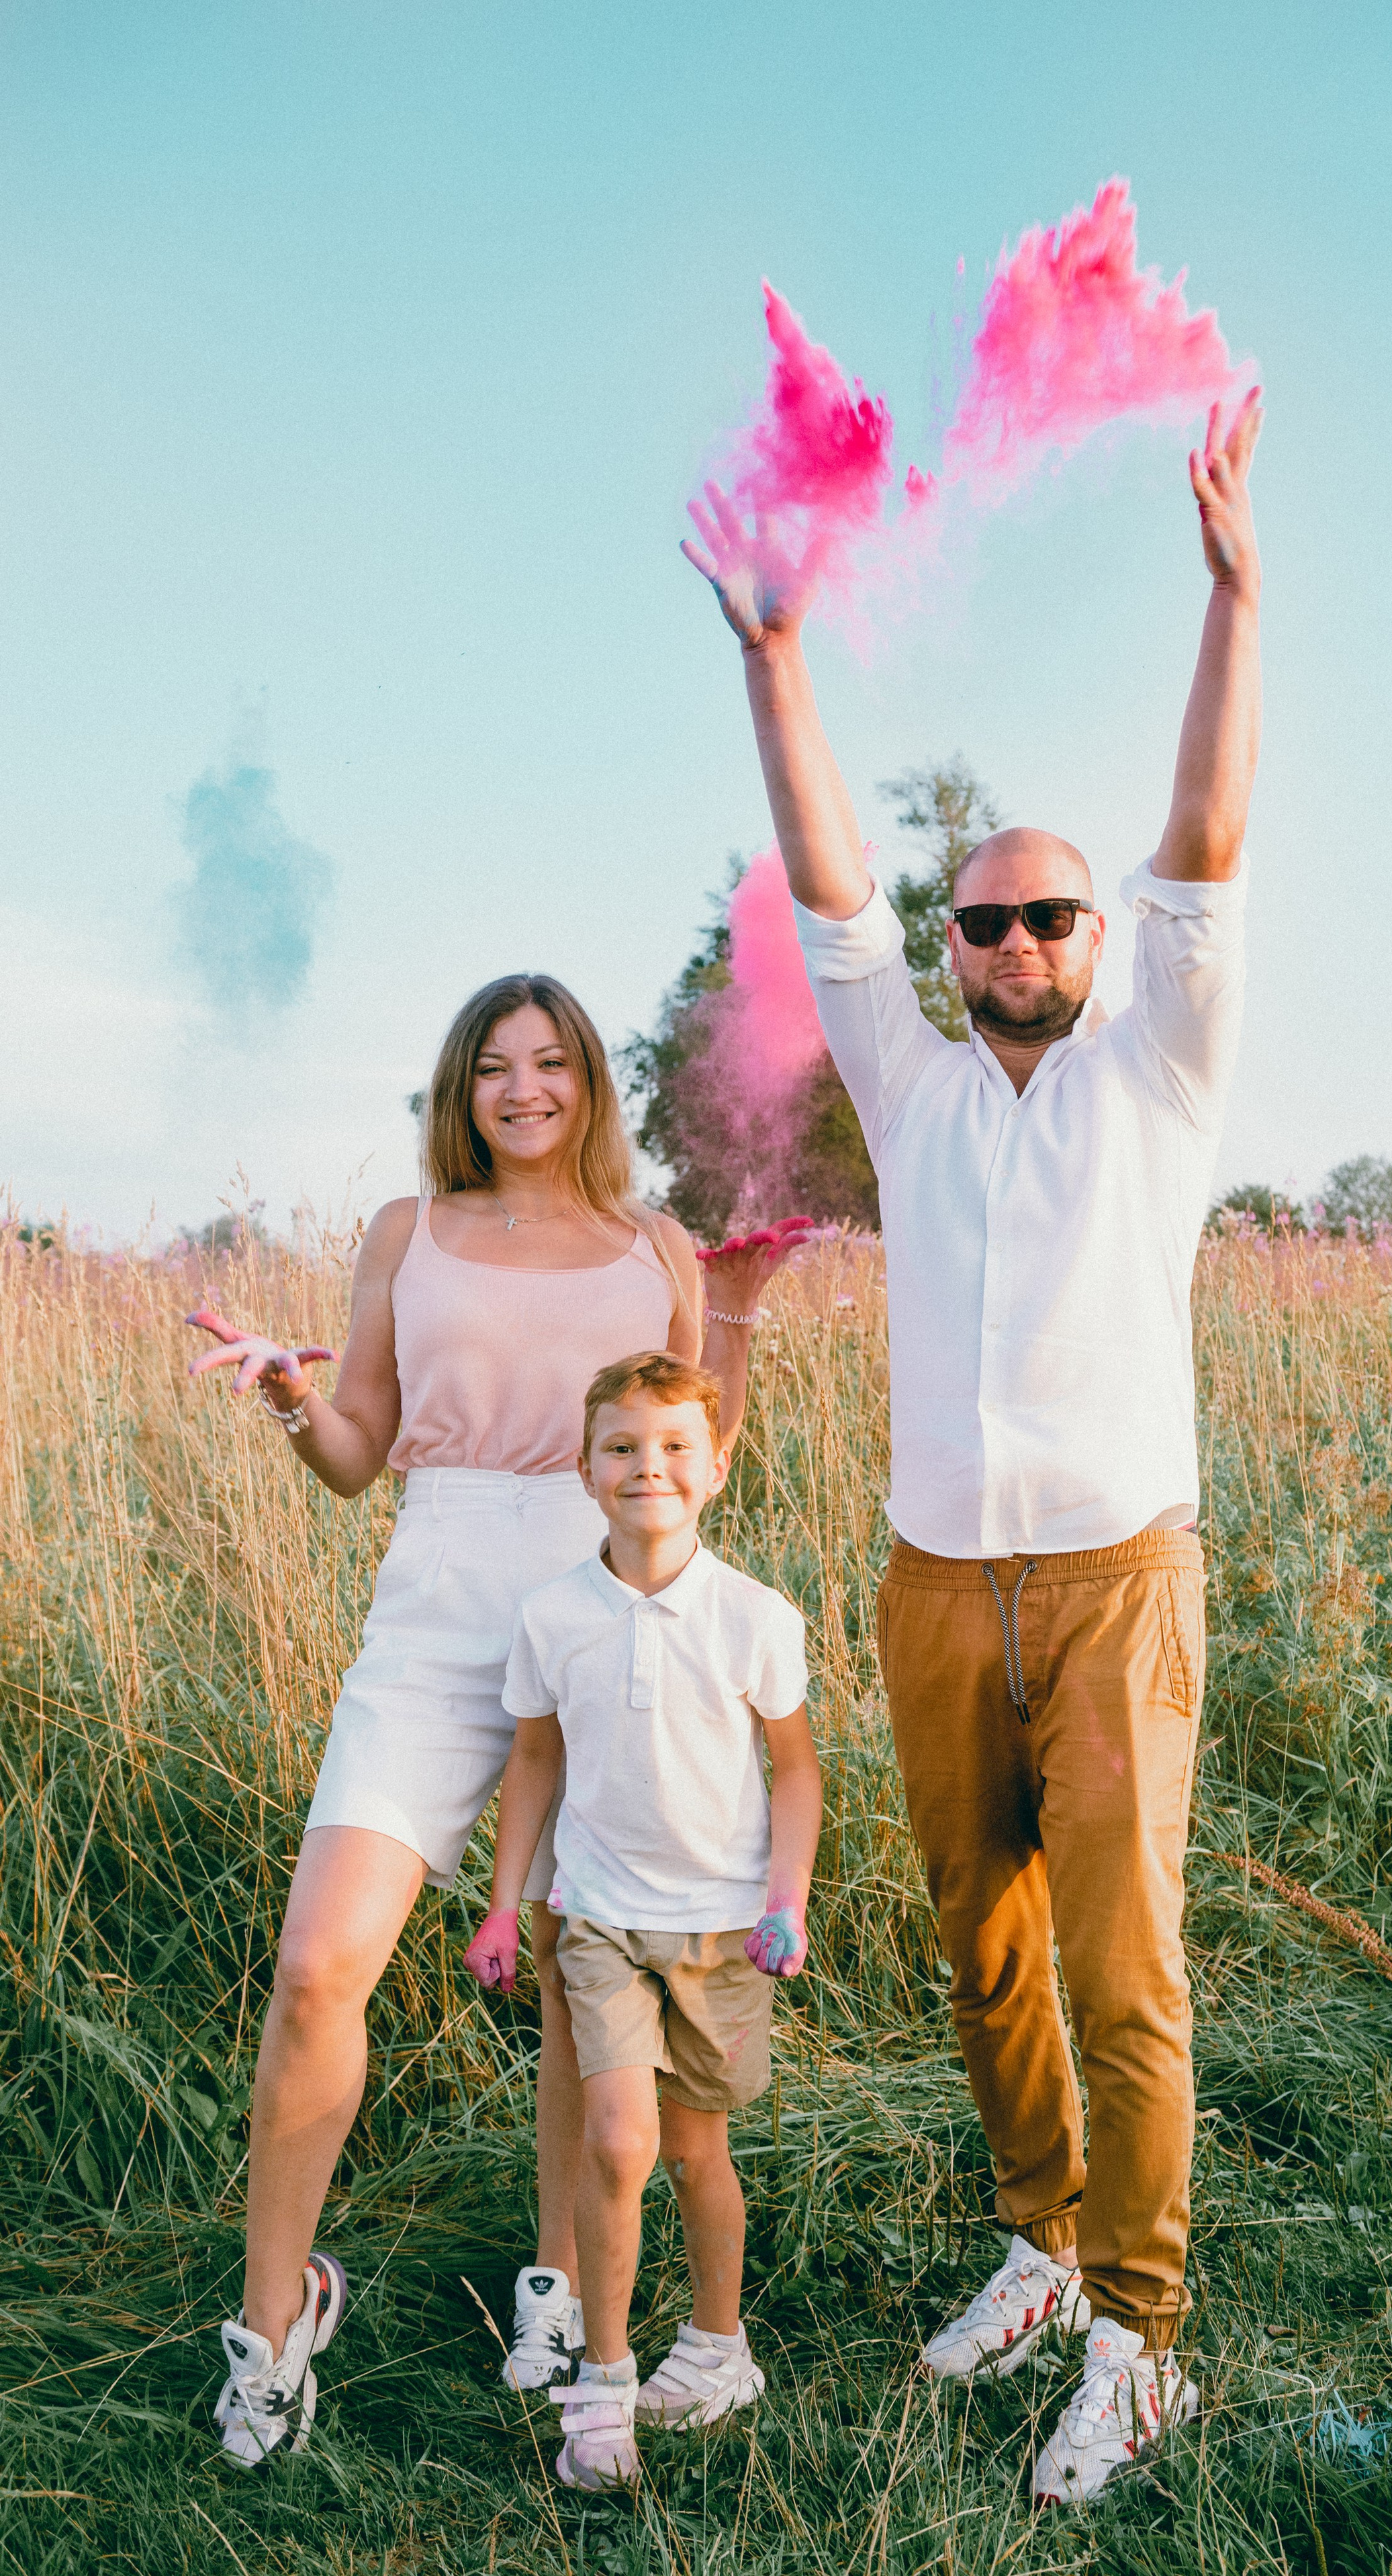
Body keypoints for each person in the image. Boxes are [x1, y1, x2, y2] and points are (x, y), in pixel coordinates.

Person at [683, 391, 1263, 2504]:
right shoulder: (916, 1088)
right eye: (986, 922)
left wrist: (1233, 596)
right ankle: (1041, 2238)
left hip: (1114, 1580)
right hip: (938, 1582)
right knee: (983, 1942)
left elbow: (1204, 836)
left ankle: (1141, 2330)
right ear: (952, 950)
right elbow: (830, 878)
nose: (1017, 943)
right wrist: (777, 662)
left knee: (1124, 1966)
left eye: (1051, 918)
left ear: (1098, 944)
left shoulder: (1159, 1077)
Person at [186, 969, 808, 2465]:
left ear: (589, 1080)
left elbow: (691, 1441)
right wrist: (287, 1394)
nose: (523, 1090)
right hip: (438, 1606)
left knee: (575, 1968)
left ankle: (558, 2287)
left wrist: (733, 1311)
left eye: (550, 1063)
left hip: (603, 1610)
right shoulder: (406, 1230)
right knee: (318, 1966)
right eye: (493, 1068)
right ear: (461, 1090)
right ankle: (275, 2326)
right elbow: (358, 1450)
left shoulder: (653, 1242)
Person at [463, 1349, 822, 2491]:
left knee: (693, 2149)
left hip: (723, 1932)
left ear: (715, 1469)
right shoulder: (554, 1615)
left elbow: (797, 1770)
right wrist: (505, 1908)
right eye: (621, 1447)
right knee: (617, 2142)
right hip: (602, 1923)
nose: (647, 1467)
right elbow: (534, 1760)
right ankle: (604, 2385)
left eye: (673, 1448)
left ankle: (718, 2348)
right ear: (585, 1471)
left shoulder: (754, 1617)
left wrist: (787, 1900)